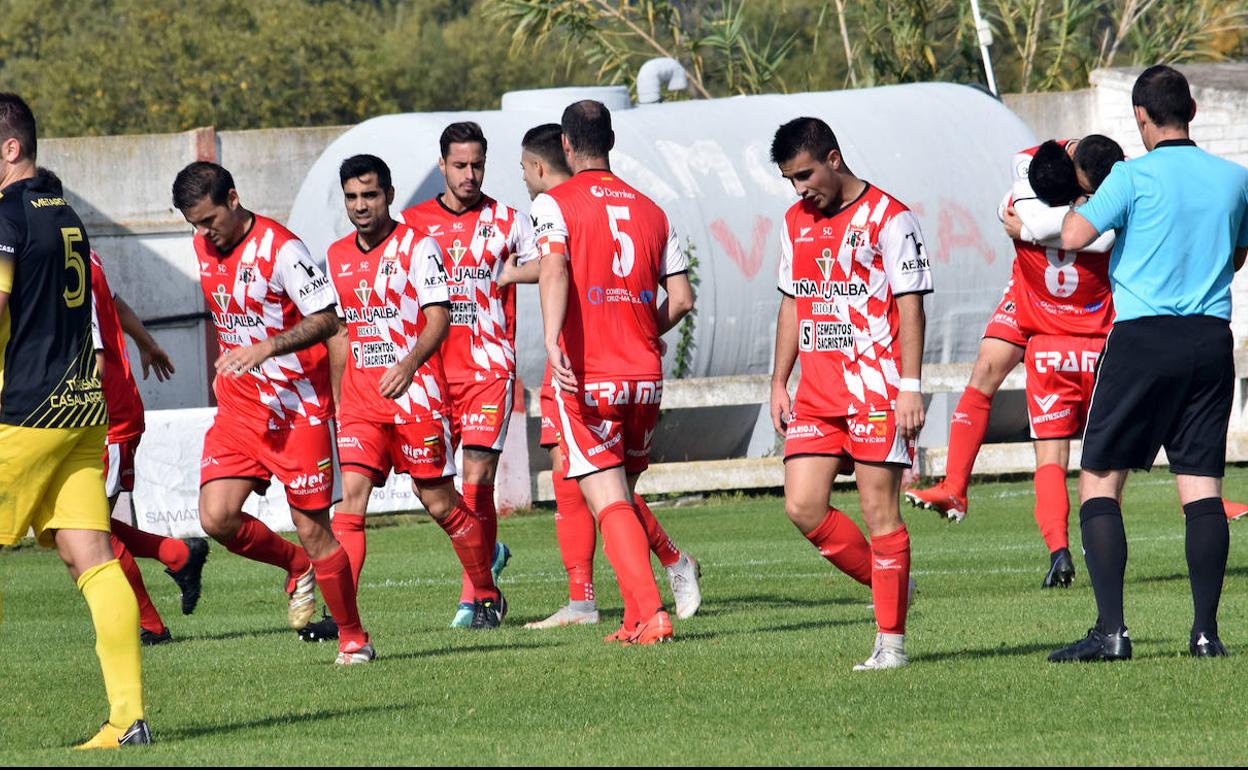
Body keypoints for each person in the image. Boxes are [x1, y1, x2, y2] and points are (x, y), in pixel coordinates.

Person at [1051, 65, 1248, 662]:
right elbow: (1237, 254)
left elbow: (1074, 234)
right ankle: (1206, 634)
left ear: (1141, 117)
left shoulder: (1131, 179)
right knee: (1202, 486)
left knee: (1100, 478)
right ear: (1190, 107)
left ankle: (1111, 632)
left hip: (1142, 338)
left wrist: (1086, 198)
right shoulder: (1235, 178)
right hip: (1211, 340)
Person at [172, 161, 373, 665]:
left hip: (296, 409)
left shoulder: (283, 250)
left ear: (233, 199)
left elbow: (330, 318)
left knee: (314, 528)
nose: (203, 233)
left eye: (209, 220)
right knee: (216, 517)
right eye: (194, 224)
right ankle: (295, 566)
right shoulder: (203, 245)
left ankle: (353, 637)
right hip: (240, 409)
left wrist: (267, 348)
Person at [0, 93, 151, 747]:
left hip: (24, 414)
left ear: (11, 147)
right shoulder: (65, 215)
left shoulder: (6, 214)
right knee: (93, 561)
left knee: (92, 561)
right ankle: (127, 720)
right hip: (81, 411)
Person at [509, 123, 701, 630]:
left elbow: (554, 269)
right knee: (618, 494)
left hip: (588, 375)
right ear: (611, 141)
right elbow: (682, 299)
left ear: (567, 146)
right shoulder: (653, 209)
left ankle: (651, 613)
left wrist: (552, 339)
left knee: (610, 502)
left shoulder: (555, 203)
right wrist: (641, 329)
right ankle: (635, 613)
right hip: (644, 375)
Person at [769, 116, 930, 670]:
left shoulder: (891, 218)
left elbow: (911, 303)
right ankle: (892, 585)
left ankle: (891, 643)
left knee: (878, 511)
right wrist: (778, 381)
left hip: (877, 390)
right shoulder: (794, 221)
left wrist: (911, 386)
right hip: (816, 394)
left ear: (833, 158)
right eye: (790, 179)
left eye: (805, 174)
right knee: (802, 505)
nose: (800, 188)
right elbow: (792, 302)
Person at [321, 153, 506, 632]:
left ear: (388, 196)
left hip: (417, 397)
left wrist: (408, 364)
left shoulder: (418, 248)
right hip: (362, 401)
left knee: (441, 503)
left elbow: (439, 318)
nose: (361, 206)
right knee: (351, 503)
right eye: (352, 197)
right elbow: (341, 331)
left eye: (370, 195)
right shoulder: (337, 255)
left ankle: (486, 592)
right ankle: (342, 618)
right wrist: (340, 399)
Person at [399, 122, 527, 627]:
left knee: (476, 481)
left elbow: (556, 263)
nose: (469, 174)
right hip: (430, 375)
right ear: (442, 166)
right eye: (460, 165)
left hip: (489, 367)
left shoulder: (508, 221)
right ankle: (485, 554)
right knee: (432, 491)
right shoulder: (410, 226)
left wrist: (519, 271)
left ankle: (478, 599)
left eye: (477, 165)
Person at [91, 246, 209, 643]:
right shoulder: (77, 252)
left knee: (89, 531)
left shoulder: (46, 253)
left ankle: (150, 626)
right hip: (90, 412)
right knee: (81, 526)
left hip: (104, 416)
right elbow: (115, 302)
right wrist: (146, 343)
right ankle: (178, 555)